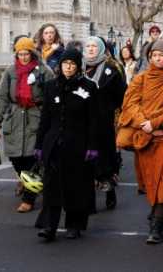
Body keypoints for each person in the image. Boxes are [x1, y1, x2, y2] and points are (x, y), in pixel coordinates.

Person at [120, 40, 163, 243]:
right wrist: (143, 122)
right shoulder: (141, 78)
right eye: (154, 55)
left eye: (161, 55)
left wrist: (155, 122)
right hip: (145, 136)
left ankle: (156, 225)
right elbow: (130, 103)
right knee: (151, 179)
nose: (157, 59)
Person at [34, 48, 99, 241]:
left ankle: (74, 224)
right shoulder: (51, 86)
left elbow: (94, 120)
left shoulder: (88, 87)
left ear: (78, 66)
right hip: (54, 143)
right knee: (51, 187)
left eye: (72, 64)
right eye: (65, 64)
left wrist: (93, 146)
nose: (68, 68)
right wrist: (39, 144)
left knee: (75, 186)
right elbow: (45, 118)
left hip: (77, 143)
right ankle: (49, 226)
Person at [0, 37, 54, 212]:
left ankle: (29, 198)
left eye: (27, 53)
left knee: (32, 160)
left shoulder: (44, 71)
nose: (24, 57)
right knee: (16, 159)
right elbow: (3, 98)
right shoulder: (10, 72)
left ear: (32, 53)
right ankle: (29, 184)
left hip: (35, 117)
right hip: (15, 118)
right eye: (20, 54)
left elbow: (51, 98)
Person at [83, 36, 127, 210]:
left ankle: (110, 190)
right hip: (84, 120)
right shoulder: (80, 67)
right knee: (86, 161)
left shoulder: (111, 68)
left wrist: (112, 110)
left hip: (104, 119)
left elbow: (121, 94)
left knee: (104, 158)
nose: (91, 49)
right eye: (89, 46)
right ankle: (89, 201)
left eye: (95, 46)